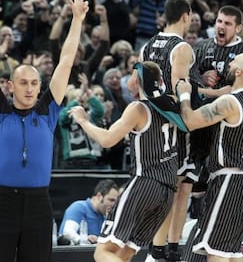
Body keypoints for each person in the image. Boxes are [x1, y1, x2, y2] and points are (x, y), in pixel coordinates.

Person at [0, 0, 88, 262]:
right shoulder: (2, 113)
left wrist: (76, 20)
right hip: (3, 204)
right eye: (23, 83)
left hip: (39, 204)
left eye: (34, 83)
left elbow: (65, 61)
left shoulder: (48, 111)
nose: (29, 88)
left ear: (40, 86)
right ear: (10, 86)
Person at [69, 60, 178, 262]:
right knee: (123, 255)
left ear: (137, 80)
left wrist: (83, 120)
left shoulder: (138, 108)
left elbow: (107, 139)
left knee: (102, 253)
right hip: (168, 192)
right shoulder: (171, 106)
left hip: (145, 182)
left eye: (132, 74)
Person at [176, 52, 243, 261]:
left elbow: (191, 120)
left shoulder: (230, 103)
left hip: (230, 180)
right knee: (231, 253)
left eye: (233, 63)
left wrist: (185, 94)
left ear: (239, 71)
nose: (229, 64)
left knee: (216, 254)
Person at [140, 0, 195, 261]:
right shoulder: (181, 48)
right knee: (179, 186)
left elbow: (134, 86)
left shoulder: (147, 46)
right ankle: (166, 249)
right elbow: (178, 92)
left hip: (150, 126)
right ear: (186, 16)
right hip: (174, 127)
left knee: (167, 187)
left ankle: (163, 247)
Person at [59, 179, 119, 244]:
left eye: (116, 202)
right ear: (99, 196)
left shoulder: (105, 216)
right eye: (111, 200)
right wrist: (83, 240)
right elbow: (67, 232)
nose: (114, 205)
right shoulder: (78, 207)